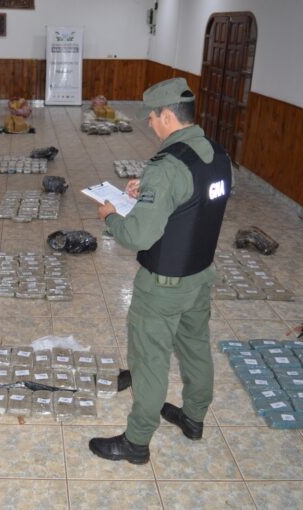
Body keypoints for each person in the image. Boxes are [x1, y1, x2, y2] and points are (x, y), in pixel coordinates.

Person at [88, 78, 233, 464]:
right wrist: (148, 194)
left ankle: (135, 444)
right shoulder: (217, 155)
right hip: (200, 276)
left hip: (164, 285)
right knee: (195, 349)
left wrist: (111, 215)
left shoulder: (166, 167)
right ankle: (193, 418)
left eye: (152, 117)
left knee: (149, 361)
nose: (150, 124)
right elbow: (194, 205)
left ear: (167, 115)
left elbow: (139, 234)